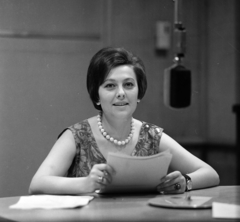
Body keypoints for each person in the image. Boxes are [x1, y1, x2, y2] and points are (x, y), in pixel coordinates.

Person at [29, 47, 220, 195]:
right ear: (97, 96)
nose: (121, 93)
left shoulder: (151, 135)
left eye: (128, 84)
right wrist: (85, 183)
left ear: (139, 93)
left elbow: (210, 173)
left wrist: (185, 182)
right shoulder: (77, 135)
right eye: (110, 85)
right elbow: (37, 183)